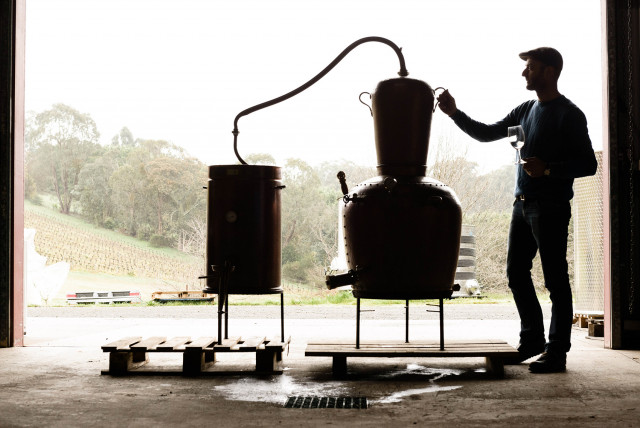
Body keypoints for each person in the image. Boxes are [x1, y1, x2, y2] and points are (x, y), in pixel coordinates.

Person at [437, 47, 597, 373]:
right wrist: (454, 113)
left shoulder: (570, 114)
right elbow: (486, 133)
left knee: (555, 281)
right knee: (515, 274)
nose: (525, 73)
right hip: (521, 207)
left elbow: (588, 164)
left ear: (550, 72)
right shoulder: (525, 109)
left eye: (531, 67)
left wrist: (549, 169)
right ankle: (533, 341)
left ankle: (557, 353)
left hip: (551, 207)